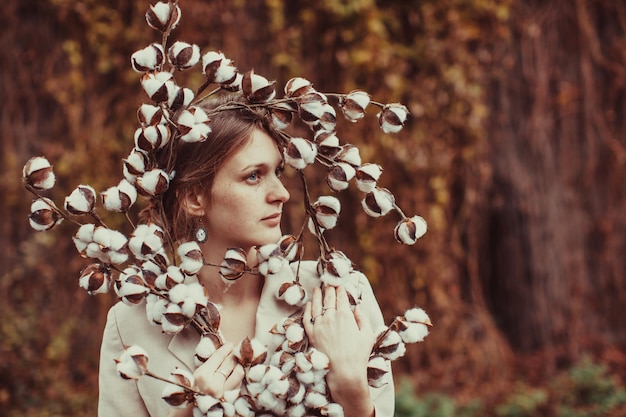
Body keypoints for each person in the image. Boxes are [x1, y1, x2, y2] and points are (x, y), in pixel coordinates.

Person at [98, 94, 394, 417]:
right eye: (253, 176)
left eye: (278, 172)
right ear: (195, 197)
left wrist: (354, 396)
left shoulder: (340, 296)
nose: (281, 194)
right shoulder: (132, 327)